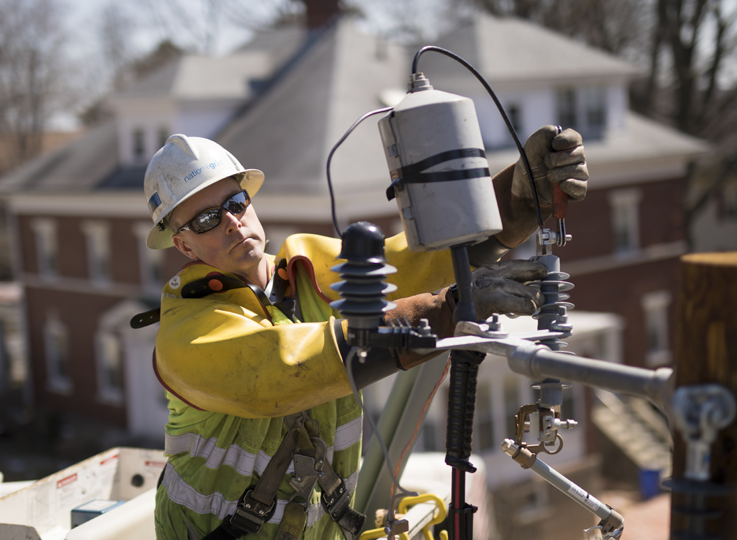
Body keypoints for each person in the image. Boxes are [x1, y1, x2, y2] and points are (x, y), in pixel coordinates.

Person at [142, 125, 588, 540]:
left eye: (236, 203)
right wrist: (445, 308)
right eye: (205, 220)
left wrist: (518, 201)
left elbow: (412, 262)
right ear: (183, 245)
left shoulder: (307, 268)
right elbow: (281, 365)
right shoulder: (189, 328)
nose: (232, 222)